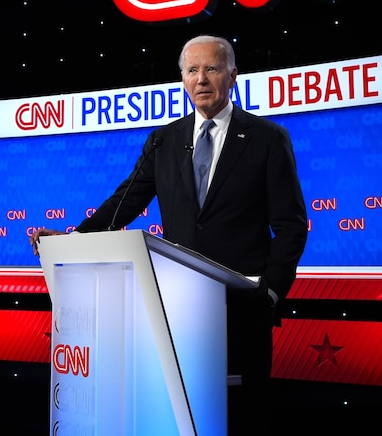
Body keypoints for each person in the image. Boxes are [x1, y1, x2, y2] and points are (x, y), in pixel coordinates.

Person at [29, 35, 307, 436]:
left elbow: (291, 225)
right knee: (182, 413)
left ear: (233, 75)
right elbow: (125, 201)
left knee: (243, 415)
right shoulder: (164, 139)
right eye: (192, 70)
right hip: (176, 307)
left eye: (211, 69)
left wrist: (270, 292)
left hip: (243, 309)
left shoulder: (266, 138)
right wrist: (73, 239)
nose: (201, 79)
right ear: (182, 78)